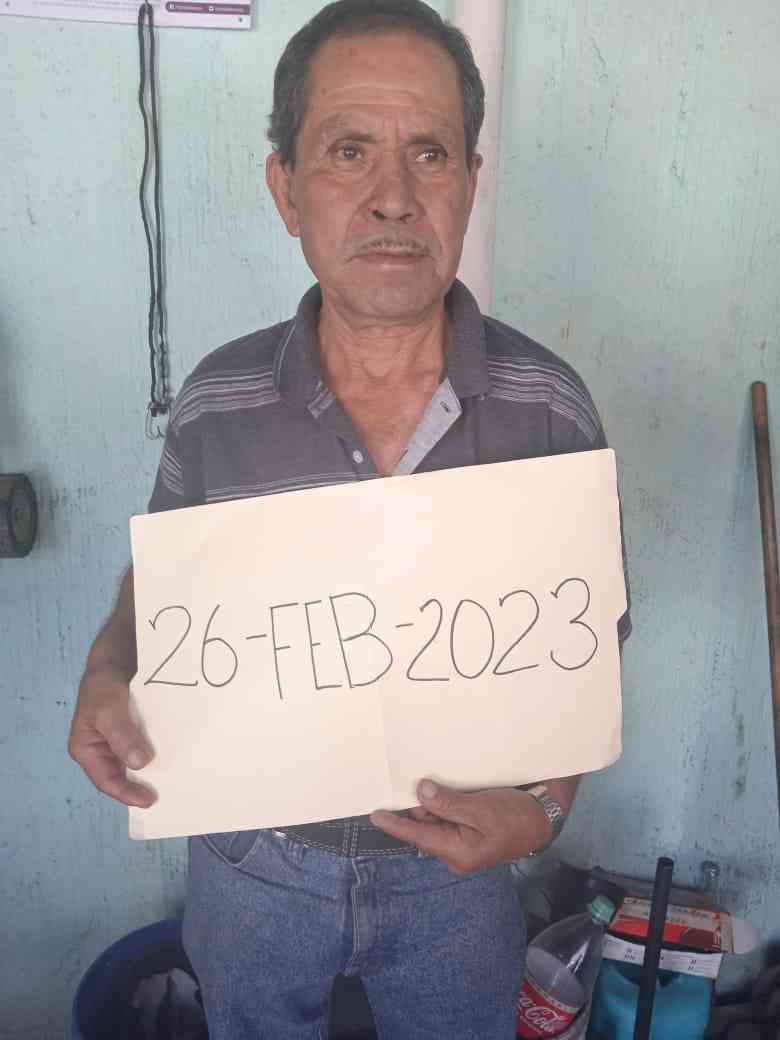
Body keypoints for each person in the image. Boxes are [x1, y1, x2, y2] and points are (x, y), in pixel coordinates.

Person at [69, 1, 631, 1037]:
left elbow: (586, 639)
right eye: (348, 150)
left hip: (458, 873)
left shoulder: (549, 408)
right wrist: (111, 665)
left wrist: (544, 810)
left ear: (470, 181)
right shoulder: (217, 401)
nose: (393, 197)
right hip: (253, 859)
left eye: (430, 153)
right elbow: (165, 580)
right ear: (286, 187)